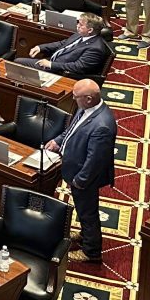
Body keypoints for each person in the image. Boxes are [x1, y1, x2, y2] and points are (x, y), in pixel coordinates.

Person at [45, 78, 115, 264]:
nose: (73, 99)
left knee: (88, 212)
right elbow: (72, 130)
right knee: (85, 210)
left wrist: (80, 181)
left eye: (76, 97)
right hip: (76, 170)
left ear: (89, 98)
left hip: (84, 177)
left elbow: (95, 161)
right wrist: (59, 140)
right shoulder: (86, 108)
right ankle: (85, 235)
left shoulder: (102, 126)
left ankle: (91, 252)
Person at [28, 13, 109, 77]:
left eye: (81, 25)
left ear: (90, 30)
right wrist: (40, 47)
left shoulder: (95, 48)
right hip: (52, 62)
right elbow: (62, 44)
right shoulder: (80, 34)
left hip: (60, 72)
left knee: (18, 63)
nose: (77, 26)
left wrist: (51, 65)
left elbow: (78, 67)